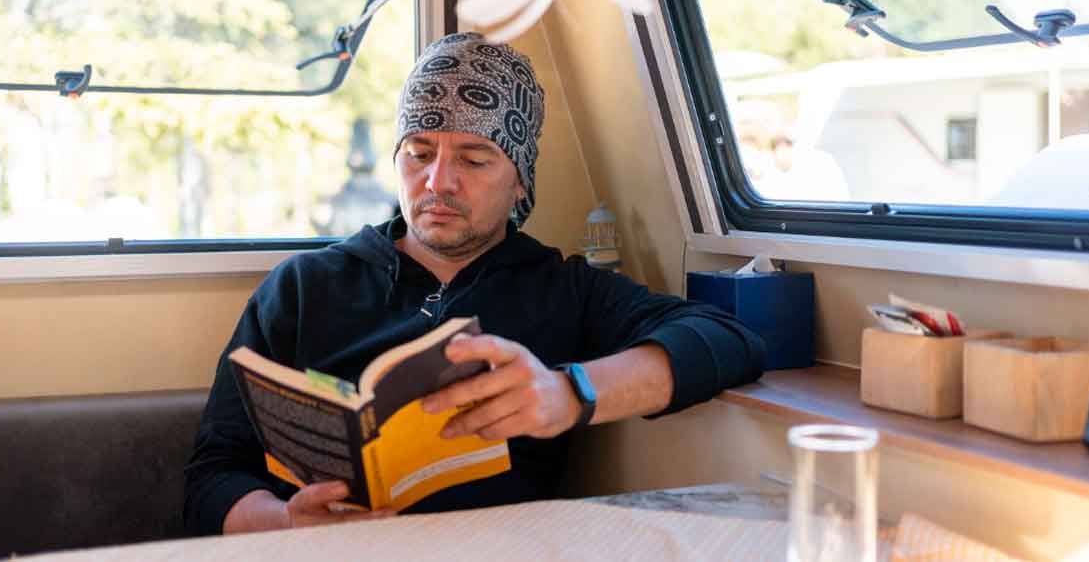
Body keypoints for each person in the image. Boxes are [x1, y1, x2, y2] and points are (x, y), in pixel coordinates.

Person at [183, 32, 766, 535]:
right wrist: (285, 523)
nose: (438, 182)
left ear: (520, 182)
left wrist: (569, 394)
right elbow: (212, 476)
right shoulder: (303, 287)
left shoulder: (563, 290)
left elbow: (729, 339)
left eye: (474, 159)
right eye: (418, 153)